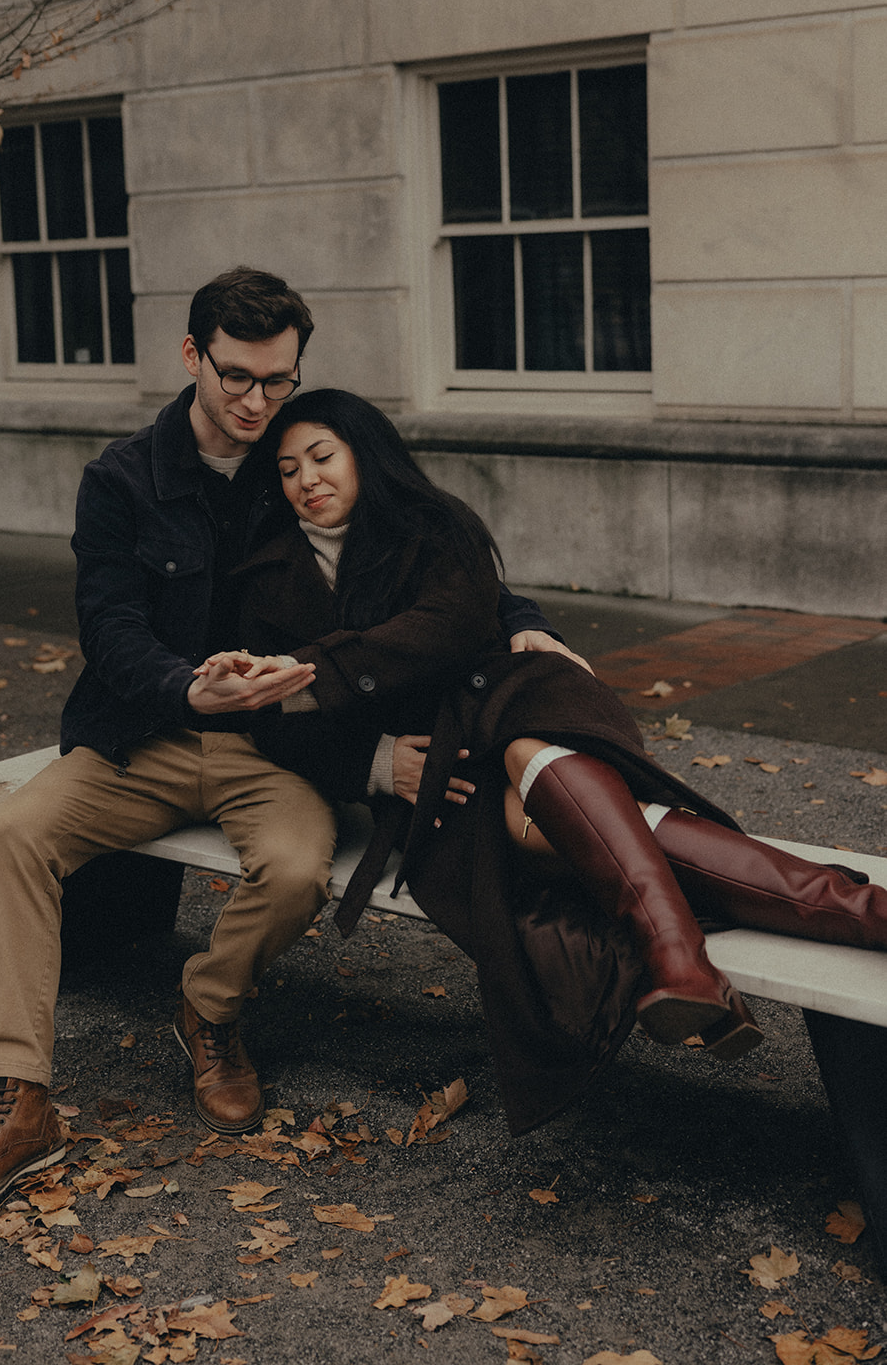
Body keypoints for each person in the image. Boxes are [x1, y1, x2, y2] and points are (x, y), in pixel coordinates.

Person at [0, 270, 564, 1216]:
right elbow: (110, 628)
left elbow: (410, 535)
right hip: (145, 735)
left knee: (299, 869)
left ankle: (210, 1009)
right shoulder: (123, 479)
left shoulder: (289, 458)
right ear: (191, 357)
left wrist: (521, 618)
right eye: (237, 380)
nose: (257, 403)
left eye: (278, 381)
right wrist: (187, 685)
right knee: (16, 831)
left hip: (277, 749)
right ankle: (18, 1102)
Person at [225, 389, 887, 1132]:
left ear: (362, 454)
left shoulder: (434, 527)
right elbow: (272, 727)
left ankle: (680, 957)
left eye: (321, 456)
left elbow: (447, 630)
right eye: (286, 470)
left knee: (526, 745)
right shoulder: (268, 576)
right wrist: (374, 763)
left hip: (517, 698)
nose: (306, 480)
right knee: (576, 822)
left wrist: (307, 673)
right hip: (447, 774)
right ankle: (833, 922)